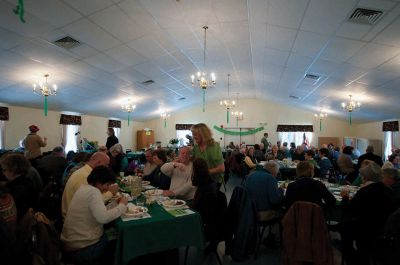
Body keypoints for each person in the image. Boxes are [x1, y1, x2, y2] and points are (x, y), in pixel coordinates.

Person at [61, 166, 128, 265]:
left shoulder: (84, 188)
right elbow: (103, 218)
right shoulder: (93, 192)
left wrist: (115, 204)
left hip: (71, 243)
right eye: (107, 184)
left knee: (111, 232)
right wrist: (122, 205)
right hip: (82, 249)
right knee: (119, 240)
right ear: (100, 182)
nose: (107, 188)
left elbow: (98, 211)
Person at [339, 162, 395, 265]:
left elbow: (350, 210)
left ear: (365, 177)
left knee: (344, 228)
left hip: (365, 230)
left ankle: (353, 259)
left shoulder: (365, 191)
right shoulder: (389, 191)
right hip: (385, 231)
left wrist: (345, 198)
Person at [62, 152, 117, 218]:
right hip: (76, 219)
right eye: (106, 165)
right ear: (98, 163)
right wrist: (110, 193)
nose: (107, 168)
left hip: (79, 214)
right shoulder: (84, 177)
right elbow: (92, 203)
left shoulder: (85, 171)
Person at [191, 158, 220, 250]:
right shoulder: (208, 179)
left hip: (204, 216)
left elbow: (196, 207)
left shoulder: (201, 183)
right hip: (211, 215)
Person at [0, 154, 37, 220]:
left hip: (19, 223)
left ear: (13, 170)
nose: (3, 173)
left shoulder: (18, 189)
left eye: (4, 170)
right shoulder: (26, 180)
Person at [191, 123, 225, 187]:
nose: (193, 137)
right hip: (201, 178)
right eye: (193, 134)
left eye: (195, 134)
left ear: (203, 134)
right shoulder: (196, 147)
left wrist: (204, 173)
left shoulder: (214, 146)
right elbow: (193, 160)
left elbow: (221, 168)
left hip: (214, 179)